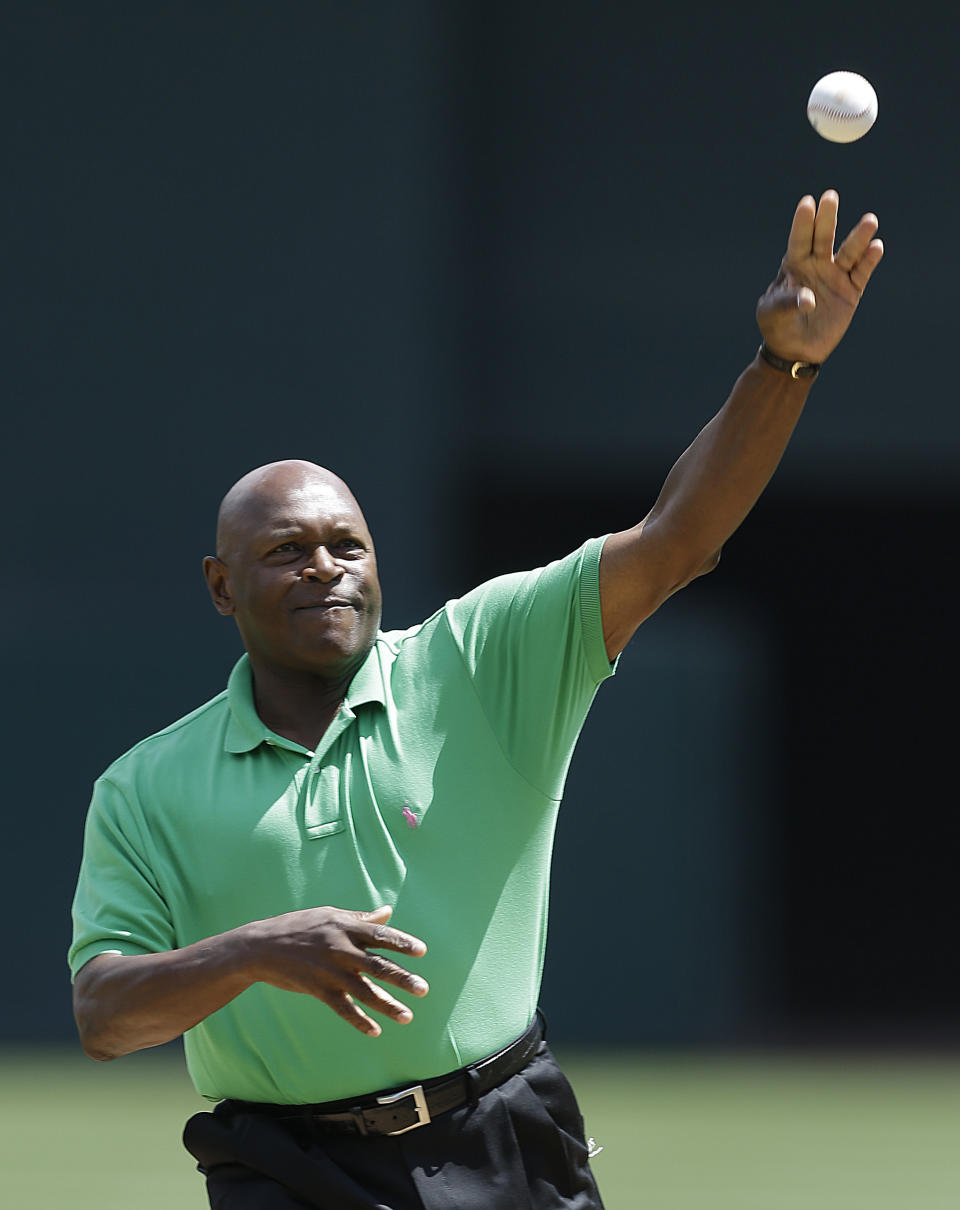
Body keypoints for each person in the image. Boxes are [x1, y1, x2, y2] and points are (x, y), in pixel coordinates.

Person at [70, 190, 882, 1209]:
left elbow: (677, 539)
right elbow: (105, 1015)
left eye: (346, 545)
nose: (325, 567)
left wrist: (787, 364)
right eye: (286, 552)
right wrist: (256, 951)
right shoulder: (145, 786)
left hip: (505, 1139)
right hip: (286, 1171)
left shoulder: (479, 658)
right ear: (221, 585)